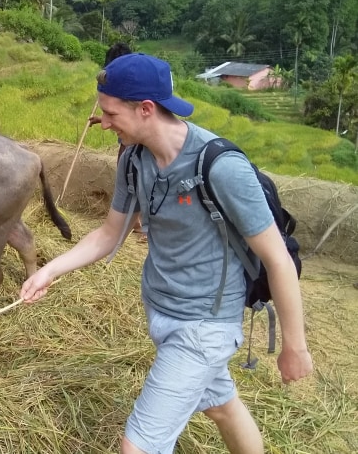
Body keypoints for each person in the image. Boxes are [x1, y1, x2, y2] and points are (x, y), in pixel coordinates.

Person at [21, 53, 312, 453]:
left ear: (145, 109)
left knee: (137, 446)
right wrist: (49, 271)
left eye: (110, 113)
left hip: (203, 327)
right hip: (161, 309)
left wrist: (294, 347)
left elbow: (277, 258)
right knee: (222, 407)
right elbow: (109, 233)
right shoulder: (134, 160)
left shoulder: (221, 167)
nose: (102, 123)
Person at [89, 42, 146, 241]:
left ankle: (139, 224)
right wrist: (101, 118)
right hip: (127, 140)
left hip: (136, 141)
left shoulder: (135, 89)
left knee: (138, 178)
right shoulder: (114, 86)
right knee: (127, 174)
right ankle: (133, 222)